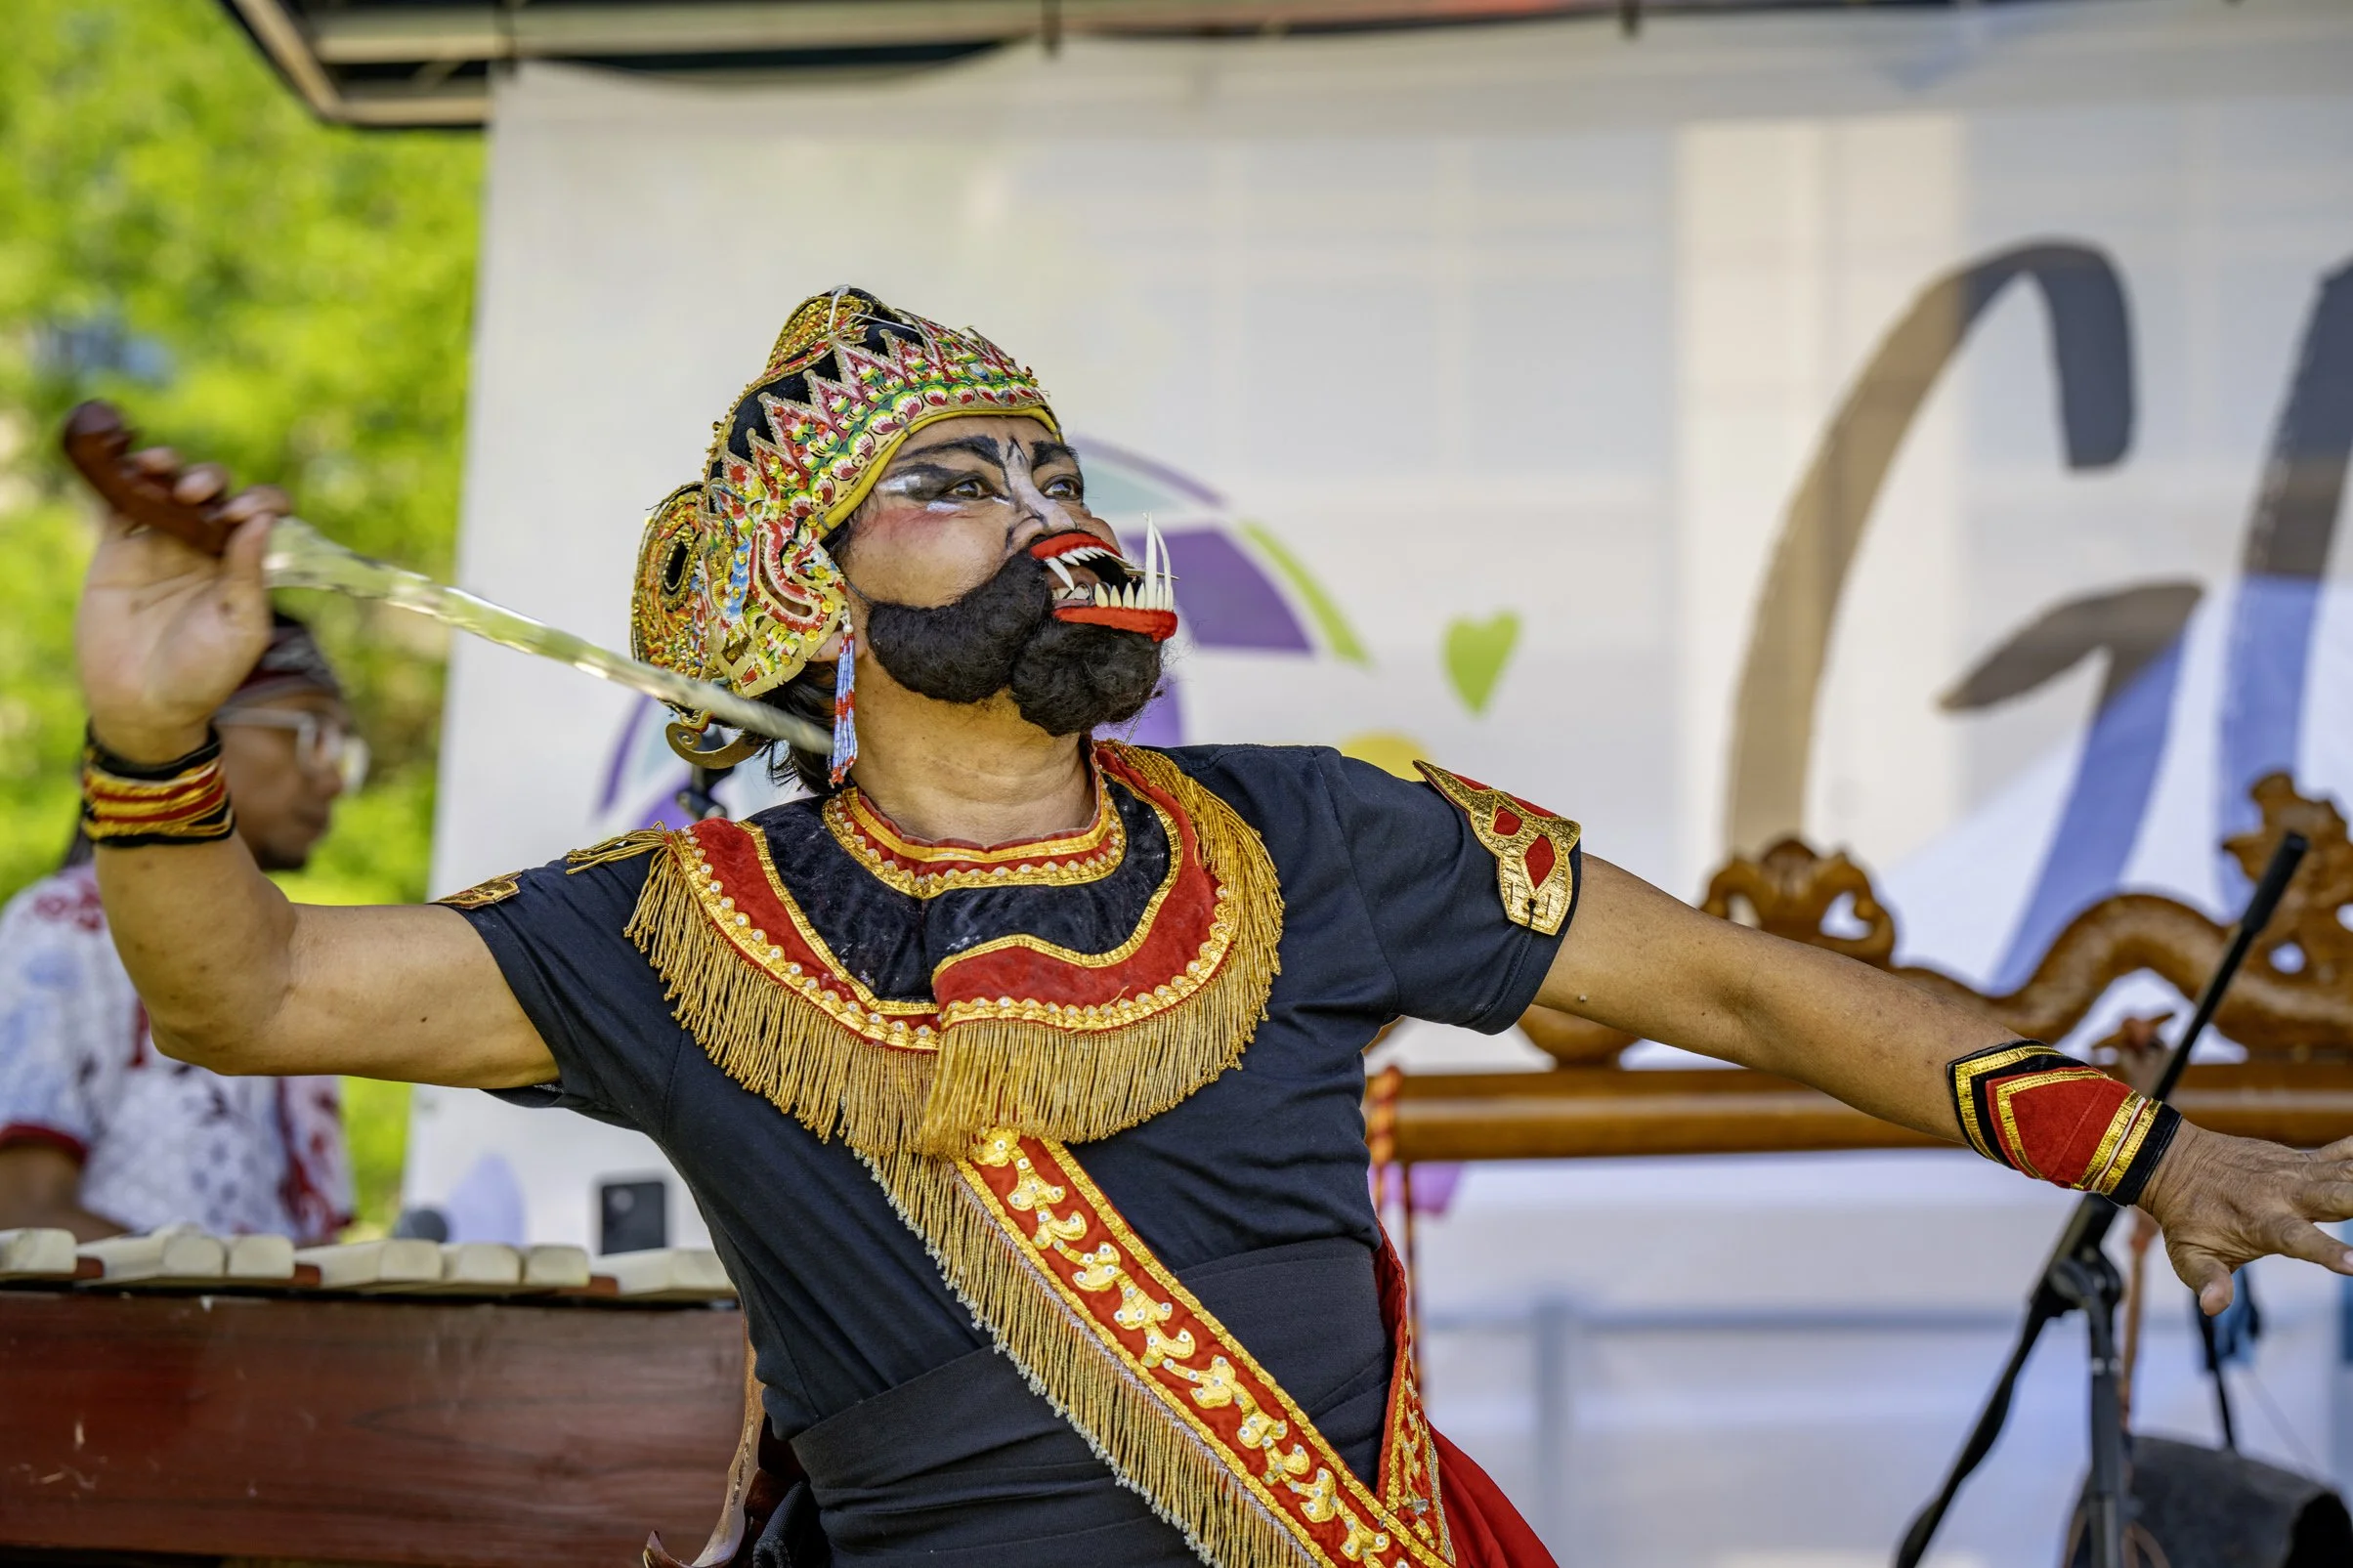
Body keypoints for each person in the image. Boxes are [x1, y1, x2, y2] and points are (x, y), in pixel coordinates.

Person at [71, 288, 2353, 1568]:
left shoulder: (1320, 832)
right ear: (813, 597)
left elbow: (1742, 985)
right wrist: (149, 743)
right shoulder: (680, 923)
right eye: (957, 484)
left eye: (1057, 472)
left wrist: (2153, 1154)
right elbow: (235, 986)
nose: (1045, 510)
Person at [0, 613, 357, 1244]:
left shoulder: (302, 949)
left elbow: (312, 1247)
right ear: (192, 731)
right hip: (120, 1344)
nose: (332, 776)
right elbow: (20, 1216)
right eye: (309, 733)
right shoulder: (69, 927)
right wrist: (230, 1312)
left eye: (344, 747)